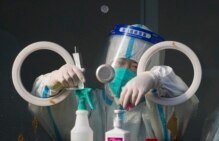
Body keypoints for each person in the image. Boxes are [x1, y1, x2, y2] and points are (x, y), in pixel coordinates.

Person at [29, 24, 199, 141]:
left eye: (135, 66)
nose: (126, 71)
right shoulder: (88, 104)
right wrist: (54, 82)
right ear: (108, 61)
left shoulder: (157, 111)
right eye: (120, 63)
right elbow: (41, 102)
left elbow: (184, 101)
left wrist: (155, 77)